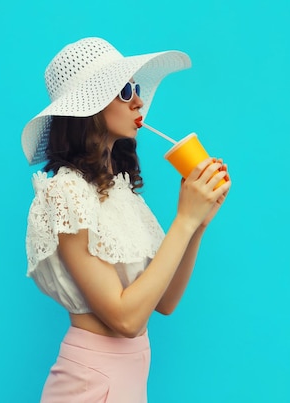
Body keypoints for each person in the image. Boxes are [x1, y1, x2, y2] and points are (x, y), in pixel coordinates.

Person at [21, 37, 231, 403]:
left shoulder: (121, 194)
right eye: (124, 90)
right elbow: (125, 320)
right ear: (90, 105)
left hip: (130, 381)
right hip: (90, 382)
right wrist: (182, 219)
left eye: (136, 88)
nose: (138, 100)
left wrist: (198, 224)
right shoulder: (65, 193)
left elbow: (163, 303)